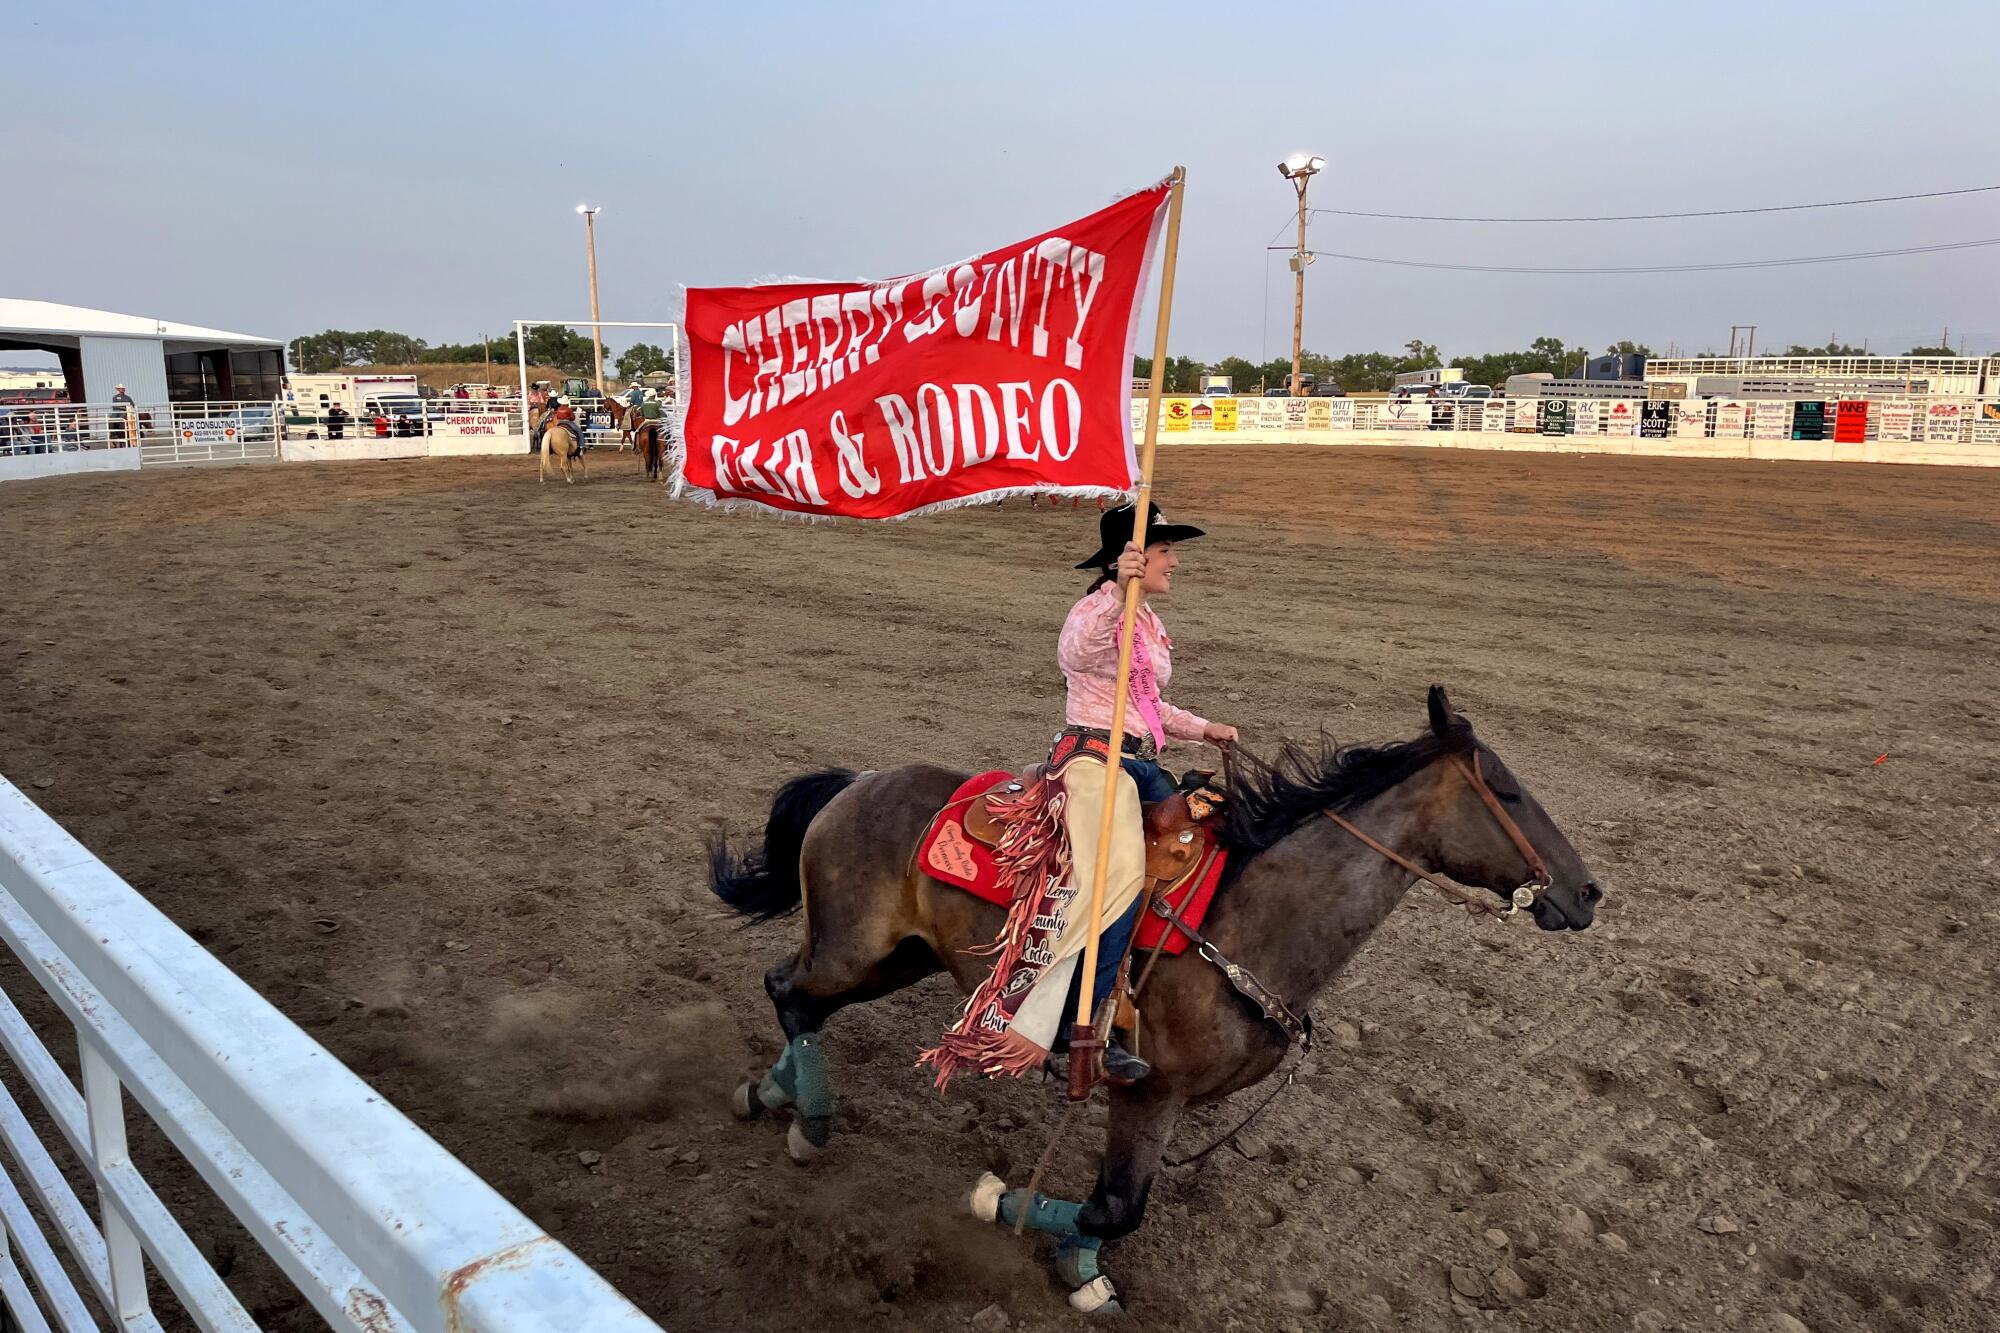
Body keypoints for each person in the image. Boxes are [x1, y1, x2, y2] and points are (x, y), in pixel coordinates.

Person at [927, 501, 1236, 1088]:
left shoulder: (1143, 619)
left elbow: (1144, 703)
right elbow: (1074, 655)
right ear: (1135, 559)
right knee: (1114, 874)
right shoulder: (1099, 609)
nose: (1175, 562)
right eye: (1166, 551)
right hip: (1094, 761)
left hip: (1138, 763)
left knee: (1184, 856)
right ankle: (1076, 1023)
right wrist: (1119, 592)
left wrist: (1202, 728)